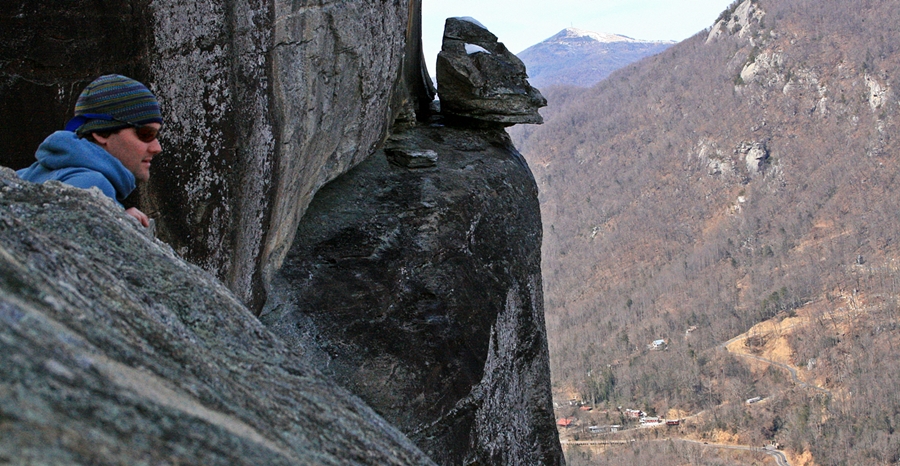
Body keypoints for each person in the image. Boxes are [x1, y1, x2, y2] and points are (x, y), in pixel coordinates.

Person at [17, 74, 163, 227]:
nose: (157, 148)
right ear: (101, 133)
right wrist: (117, 225)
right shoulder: (93, 184)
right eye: (146, 134)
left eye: (156, 135)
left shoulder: (27, 174)